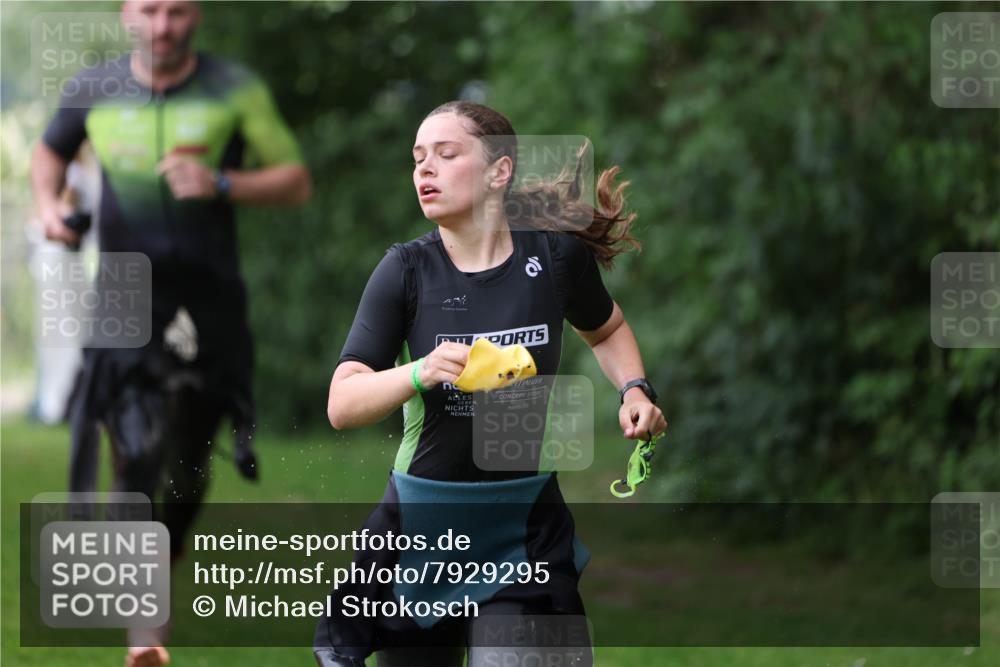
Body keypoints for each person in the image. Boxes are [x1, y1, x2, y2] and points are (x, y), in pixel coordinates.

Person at [313, 101, 666, 667]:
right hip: (423, 531)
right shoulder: (405, 271)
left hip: (522, 528)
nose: (425, 169)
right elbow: (342, 401)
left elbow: (607, 330)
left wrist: (635, 390)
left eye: (446, 154)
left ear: (499, 170)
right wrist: (420, 371)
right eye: (418, 158)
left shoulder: (554, 256)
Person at [30, 2, 311, 665]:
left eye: (176, 11)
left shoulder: (232, 88)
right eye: (149, 10)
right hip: (125, 286)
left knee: (189, 454)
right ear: (127, 12)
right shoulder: (94, 87)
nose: (162, 26)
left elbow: (294, 181)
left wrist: (221, 181)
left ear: (197, 15)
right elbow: (48, 152)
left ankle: (170, 541)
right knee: (132, 446)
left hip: (209, 292)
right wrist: (49, 208)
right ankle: (144, 630)